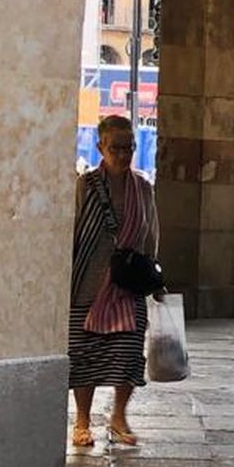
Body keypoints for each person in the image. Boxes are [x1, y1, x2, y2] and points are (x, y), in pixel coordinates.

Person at [68, 115, 162, 448]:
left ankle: (119, 416)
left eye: (128, 148)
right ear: (100, 148)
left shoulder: (143, 187)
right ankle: (82, 420)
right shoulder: (87, 185)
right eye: (115, 148)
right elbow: (75, 230)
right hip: (89, 282)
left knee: (128, 352)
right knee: (84, 353)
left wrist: (153, 276)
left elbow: (151, 233)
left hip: (127, 282)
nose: (123, 155)